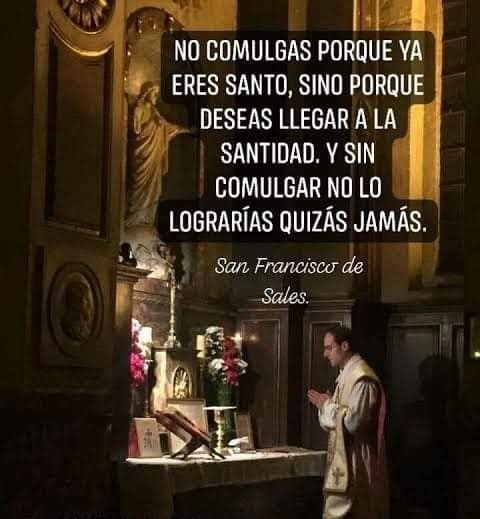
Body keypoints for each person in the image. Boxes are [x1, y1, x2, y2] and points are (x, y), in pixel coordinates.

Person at [308, 325, 388, 519]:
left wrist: (326, 405)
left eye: (329, 348)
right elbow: (331, 422)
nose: (325, 354)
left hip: (357, 458)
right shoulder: (345, 375)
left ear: (344, 346)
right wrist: (325, 407)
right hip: (343, 456)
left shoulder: (362, 378)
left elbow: (353, 423)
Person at [126, 82, 190, 228]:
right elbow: (135, 131)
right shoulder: (139, 109)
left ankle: (146, 219)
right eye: (154, 93)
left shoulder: (156, 113)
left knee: (154, 188)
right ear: (147, 93)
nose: (156, 96)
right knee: (137, 187)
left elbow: (168, 128)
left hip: (153, 158)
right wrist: (137, 113)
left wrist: (185, 129)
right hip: (142, 155)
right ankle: (134, 217)